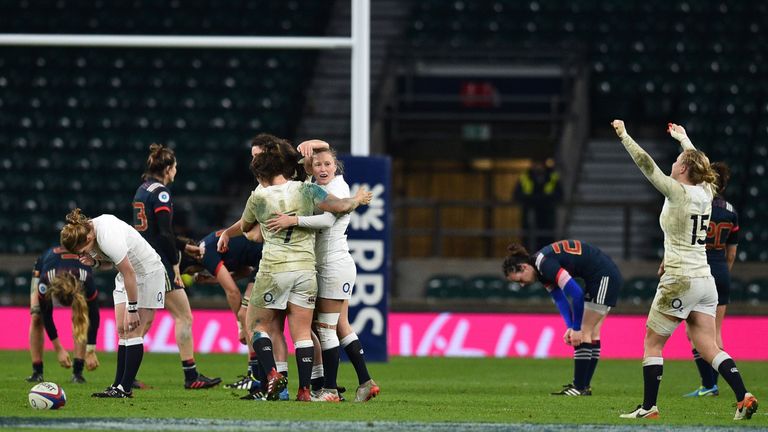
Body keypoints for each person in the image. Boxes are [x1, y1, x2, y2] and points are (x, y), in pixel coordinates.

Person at [612, 120, 757, 420]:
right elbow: (701, 166)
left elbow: (646, 165)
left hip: (679, 278)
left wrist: (625, 135)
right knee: (708, 345)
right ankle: (743, 396)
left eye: (677, 162)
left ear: (682, 170)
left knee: (653, 342)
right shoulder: (708, 189)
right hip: (705, 280)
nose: (673, 164)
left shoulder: (677, 192)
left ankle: (649, 407)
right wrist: (684, 139)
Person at [241, 135, 372, 401]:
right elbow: (337, 206)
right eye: (317, 164)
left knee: (285, 327)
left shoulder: (263, 196)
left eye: (328, 163)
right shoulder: (307, 188)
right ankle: (315, 386)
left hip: (318, 264)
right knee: (315, 329)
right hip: (309, 268)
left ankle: (323, 387)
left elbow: (326, 220)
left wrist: (292, 220)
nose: (322, 168)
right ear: (307, 168)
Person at [132, 143, 220, 389]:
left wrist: (183, 246)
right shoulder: (161, 193)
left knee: (146, 320)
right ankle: (191, 376)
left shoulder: (142, 189)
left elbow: (153, 232)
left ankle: (126, 375)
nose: (176, 171)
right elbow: (163, 234)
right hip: (158, 261)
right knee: (184, 316)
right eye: (175, 167)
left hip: (143, 258)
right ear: (168, 168)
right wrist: (174, 264)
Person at [60, 208, 165, 398]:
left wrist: (132, 308)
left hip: (146, 273)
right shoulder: (86, 231)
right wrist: (96, 264)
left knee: (133, 330)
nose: (82, 253)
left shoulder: (107, 235)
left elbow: (130, 272)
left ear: (89, 237)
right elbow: (112, 264)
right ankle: (117, 385)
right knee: (122, 331)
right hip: (126, 276)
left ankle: (125, 388)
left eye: (82, 250)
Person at [502, 240, 621, 396]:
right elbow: (560, 299)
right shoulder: (540, 269)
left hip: (603, 277)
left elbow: (576, 294)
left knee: (585, 331)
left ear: (524, 267)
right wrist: (570, 326)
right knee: (592, 332)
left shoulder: (544, 264)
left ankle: (579, 387)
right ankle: (584, 386)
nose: (522, 285)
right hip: (601, 277)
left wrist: (576, 328)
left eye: (519, 280)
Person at [681, 161, 739, 397]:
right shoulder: (731, 211)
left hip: (698, 269)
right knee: (715, 333)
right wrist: (722, 272)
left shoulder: (698, 203)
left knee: (693, 332)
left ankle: (709, 385)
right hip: (720, 271)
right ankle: (712, 385)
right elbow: (732, 252)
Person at [183, 229, 266, 392]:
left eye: (188, 271)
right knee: (248, 317)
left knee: (244, 315)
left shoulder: (205, 255)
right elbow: (245, 270)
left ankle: (257, 376)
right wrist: (214, 280)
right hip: (264, 259)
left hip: (268, 260)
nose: (191, 274)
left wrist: (240, 326)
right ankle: (254, 374)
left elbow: (233, 292)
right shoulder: (207, 246)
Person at [27, 246, 100, 384]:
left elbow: (94, 315)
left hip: (77, 273)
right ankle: (37, 371)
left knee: (81, 316)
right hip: (42, 266)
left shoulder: (86, 279)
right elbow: (46, 315)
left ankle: (77, 373)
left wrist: (91, 350)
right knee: (37, 316)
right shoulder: (45, 280)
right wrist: (59, 348)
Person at [513, 158, 563, 250]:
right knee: (528, 238)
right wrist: (531, 199)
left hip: (547, 213)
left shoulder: (552, 176)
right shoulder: (526, 176)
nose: (538, 166)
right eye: (536, 164)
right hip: (529, 211)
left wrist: (545, 199)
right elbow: (517, 195)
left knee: (546, 237)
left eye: (540, 164)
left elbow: (559, 195)